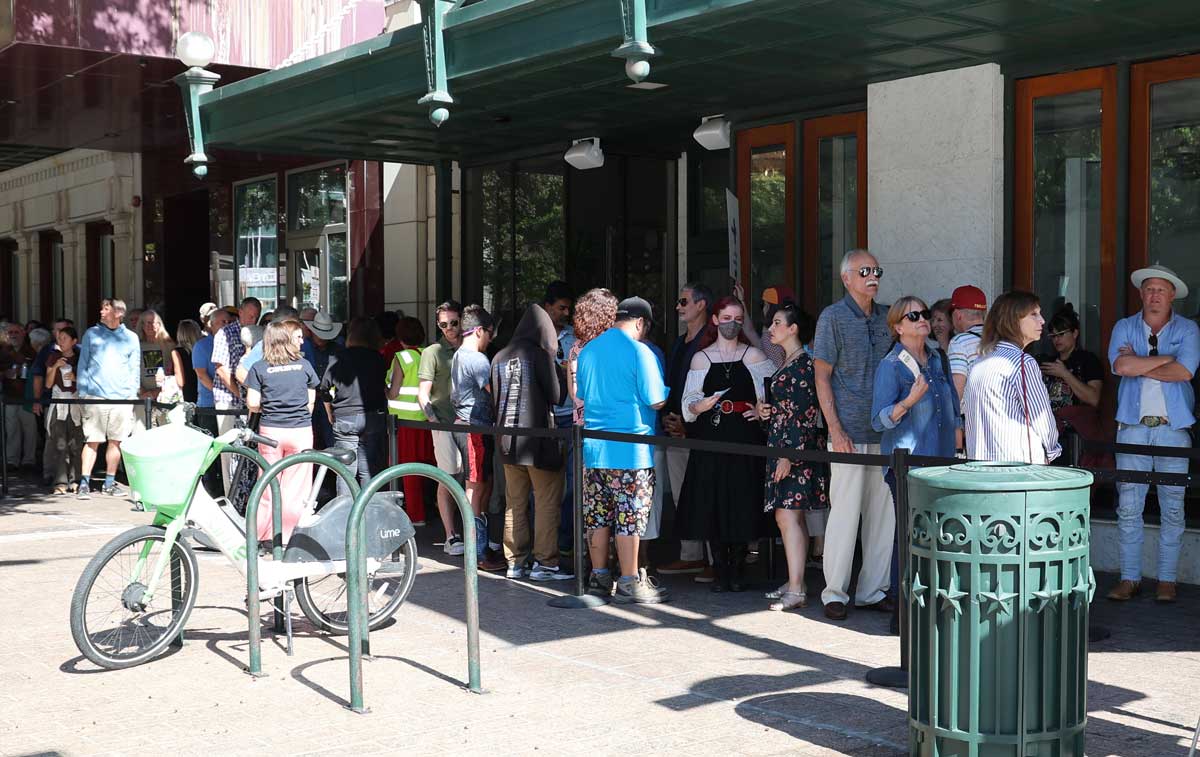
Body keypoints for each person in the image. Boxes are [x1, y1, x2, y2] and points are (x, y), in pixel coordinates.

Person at [1105, 264, 1200, 604]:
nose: (1154, 295)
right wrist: (1165, 361)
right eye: (1149, 289)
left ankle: (1167, 580)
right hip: (1132, 427)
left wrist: (1143, 362)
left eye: (1161, 289)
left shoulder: (1188, 329)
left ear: (1172, 294)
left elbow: (1185, 370)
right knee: (1129, 506)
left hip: (1173, 429)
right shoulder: (1124, 327)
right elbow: (1121, 367)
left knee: (1173, 507)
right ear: (1141, 294)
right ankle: (1129, 578)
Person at [813, 249, 895, 621]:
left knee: (883, 516)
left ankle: (873, 591)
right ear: (846, 278)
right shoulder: (832, 317)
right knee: (844, 515)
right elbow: (821, 375)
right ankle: (835, 593)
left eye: (876, 270)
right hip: (847, 432)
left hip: (886, 433)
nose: (872, 276)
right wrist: (835, 429)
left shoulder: (888, 316)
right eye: (864, 271)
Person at [872, 297, 961, 616]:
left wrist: (959, 427)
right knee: (909, 535)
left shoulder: (938, 357)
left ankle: (935, 602)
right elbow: (877, 419)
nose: (923, 319)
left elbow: (951, 398)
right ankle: (903, 610)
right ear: (898, 327)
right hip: (908, 463)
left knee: (939, 533)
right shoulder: (891, 365)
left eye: (925, 314)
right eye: (914, 315)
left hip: (942, 459)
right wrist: (908, 401)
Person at [576, 296, 669, 604]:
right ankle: (629, 581)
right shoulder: (639, 351)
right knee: (630, 518)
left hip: (594, 451)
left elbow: (581, 395)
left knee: (598, 517)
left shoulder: (588, 350)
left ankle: (599, 577)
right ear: (641, 323)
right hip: (631, 451)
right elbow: (655, 399)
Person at [678, 296, 773, 592]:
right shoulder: (700, 358)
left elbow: (773, 395)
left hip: (745, 435)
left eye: (738, 318)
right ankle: (719, 569)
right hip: (711, 436)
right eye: (727, 318)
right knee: (711, 500)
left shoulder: (755, 356)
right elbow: (688, 404)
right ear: (716, 320)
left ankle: (739, 568)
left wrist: (762, 410)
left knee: (743, 499)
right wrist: (699, 407)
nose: (732, 323)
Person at [757, 304, 828, 611]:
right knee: (789, 515)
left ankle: (797, 587)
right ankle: (794, 580)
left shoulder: (803, 365)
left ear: (793, 328)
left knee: (786, 514)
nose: (771, 328)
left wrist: (788, 456)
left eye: (776, 323)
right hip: (783, 446)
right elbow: (787, 411)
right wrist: (763, 412)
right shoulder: (792, 362)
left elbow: (804, 414)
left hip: (793, 451)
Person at [492, 301, 568, 580]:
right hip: (538, 441)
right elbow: (557, 396)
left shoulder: (499, 356)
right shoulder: (538, 355)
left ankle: (514, 561)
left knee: (515, 503)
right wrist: (561, 369)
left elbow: (495, 399)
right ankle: (545, 563)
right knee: (547, 502)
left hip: (506, 441)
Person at [962, 290, 1060, 465]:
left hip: (981, 470)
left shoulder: (980, 361)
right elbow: (1041, 419)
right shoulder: (1022, 362)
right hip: (1018, 471)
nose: (1042, 320)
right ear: (1013, 320)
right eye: (1034, 314)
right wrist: (1052, 451)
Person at [658, 282, 715, 579]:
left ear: (701, 305)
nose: (678, 307)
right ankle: (690, 555)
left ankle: (715, 560)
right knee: (682, 493)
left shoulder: (711, 339)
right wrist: (671, 418)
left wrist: (688, 422)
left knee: (706, 493)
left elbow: (713, 388)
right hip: (675, 428)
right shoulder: (680, 342)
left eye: (683, 301)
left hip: (702, 432)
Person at [243, 319, 318, 542]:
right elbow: (310, 401)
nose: (302, 340)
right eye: (298, 337)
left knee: (267, 482)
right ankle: (288, 536)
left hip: (270, 431)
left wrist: (273, 403)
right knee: (296, 487)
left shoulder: (259, 368)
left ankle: (262, 534)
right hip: (300, 430)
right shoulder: (304, 365)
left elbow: (252, 403)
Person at [449, 305, 504, 571]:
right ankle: (478, 553)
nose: (491, 339)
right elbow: (496, 393)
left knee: (479, 487)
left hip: (467, 425)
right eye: (490, 334)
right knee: (476, 488)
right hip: (475, 428)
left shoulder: (459, 355)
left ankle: (479, 551)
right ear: (480, 330)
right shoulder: (478, 360)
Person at [76, 299, 141, 499]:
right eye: (102, 307)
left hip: (122, 398)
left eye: (106, 308)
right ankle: (84, 483)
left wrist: (131, 395)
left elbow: (134, 367)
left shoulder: (131, 338)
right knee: (92, 441)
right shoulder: (91, 334)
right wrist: (83, 393)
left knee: (116, 441)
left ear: (118, 313)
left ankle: (109, 483)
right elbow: (83, 364)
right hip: (95, 396)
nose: (102, 311)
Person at [418, 301, 466, 555]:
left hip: (472, 423)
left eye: (454, 323)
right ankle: (451, 535)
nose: (449, 328)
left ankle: (472, 533)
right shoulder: (433, 352)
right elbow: (422, 393)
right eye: (443, 324)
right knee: (448, 476)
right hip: (445, 423)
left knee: (474, 479)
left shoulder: (472, 346)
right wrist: (435, 422)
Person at [321, 317, 389, 497]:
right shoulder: (378, 358)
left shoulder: (338, 357)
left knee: (345, 471)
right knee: (368, 469)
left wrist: (329, 411)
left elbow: (324, 387)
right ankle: (368, 510)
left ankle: (346, 513)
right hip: (373, 416)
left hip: (345, 416)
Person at [541, 281, 577, 556]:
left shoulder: (574, 337)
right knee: (544, 487)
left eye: (568, 308)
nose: (565, 312)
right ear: (547, 307)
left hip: (572, 415)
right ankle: (544, 543)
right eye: (561, 307)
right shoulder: (534, 338)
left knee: (574, 483)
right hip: (546, 418)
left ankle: (565, 540)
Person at [387, 316, 433, 525]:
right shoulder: (427, 354)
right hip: (425, 419)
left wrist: (384, 389)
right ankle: (431, 508)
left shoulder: (401, 357)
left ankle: (416, 515)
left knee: (407, 470)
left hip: (403, 422)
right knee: (428, 467)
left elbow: (394, 392)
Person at [31, 317, 73, 485]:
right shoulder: (47, 351)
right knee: (51, 437)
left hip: (74, 402)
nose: (59, 335)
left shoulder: (79, 349)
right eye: (56, 331)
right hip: (52, 400)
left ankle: (70, 474)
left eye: (62, 330)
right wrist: (37, 400)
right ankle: (49, 472)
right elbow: (38, 376)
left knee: (73, 438)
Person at [211, 306, 247, 492]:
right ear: (240, 313)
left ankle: (245, 493)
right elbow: (221, 369)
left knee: (245, 449)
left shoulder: (257, 332)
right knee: (228, 449)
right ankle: (230, 493)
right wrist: (240, 394)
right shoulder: (224, 334)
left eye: (255, 316)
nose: (252, 318)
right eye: (249, 315)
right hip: (228, 399)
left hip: (248, 403)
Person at [44, 325, 82, 495]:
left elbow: (87, 381)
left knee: (76, 444)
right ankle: (60, 480)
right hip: (59, 403)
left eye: (65, 338)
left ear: (74, 341)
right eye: (59, 338)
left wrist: (76, 377)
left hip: (75, 404)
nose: (61, 341)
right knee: (59, 444)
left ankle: (76, 479)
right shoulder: (53, 357)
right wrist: (55, 367)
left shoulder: (81, 358)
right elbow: (48, 384)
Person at [301, 309, 342, 447]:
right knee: (309, 440)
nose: (322, 338)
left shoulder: (338, 349)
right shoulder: (302, 347)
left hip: (331, 400)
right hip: (308, 399)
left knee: (332, 440)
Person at [947, 285, 988, 399]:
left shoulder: (959, 342)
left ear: (957, 315)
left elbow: (956, 390)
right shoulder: (1002, 337)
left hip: (972, 415)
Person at [136, 309, 176, 421]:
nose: (150, 326)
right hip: (141, 397)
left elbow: (175, 372)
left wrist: (157, 392)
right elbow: (130, 371)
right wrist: (142, 391)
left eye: (153, 322)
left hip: (165, 396)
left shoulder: (170, 345)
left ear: (159, 324)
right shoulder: (136, 345)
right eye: (147, 322)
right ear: (142, 325)